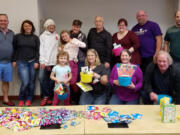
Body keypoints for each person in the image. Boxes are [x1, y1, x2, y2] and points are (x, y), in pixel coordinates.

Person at [12, 20, 40, 106]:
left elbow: (37, 50)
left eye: (29, 26)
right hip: (21, 62)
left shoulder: (35, 38)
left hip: (32, 62)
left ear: (32, 27)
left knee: (32, 82)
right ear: (23, 27)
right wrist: (14, 60)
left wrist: (36, 61)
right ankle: (21, 98)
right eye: (25, 26)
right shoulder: (17, 37)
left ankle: (29, 98)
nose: (28, 27)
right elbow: (14, 49)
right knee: (25, 82)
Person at [60, 30, 86, 104]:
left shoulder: (74, 40)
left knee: (73, 82)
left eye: (65, 35)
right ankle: (68, 100)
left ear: (69, 35)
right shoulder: (63, 45)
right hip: (65, 64)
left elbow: (84, 45)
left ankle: (76, 98)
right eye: (63, 37)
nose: (64, 38)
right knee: (66, 82)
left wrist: (74, 42)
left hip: (73, 64)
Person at [39, 19, 59, 106]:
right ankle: (46, 96)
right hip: (44, 62)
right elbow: (41, 49)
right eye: (50, 26)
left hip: (54, 62)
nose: (51, 27)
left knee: (52, 81)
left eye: (53, 26)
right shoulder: (42, 36)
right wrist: (42, 61)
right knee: (41, 78)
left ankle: (49, 97)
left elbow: (58, 49)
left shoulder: (57, 36)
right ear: (46, 27)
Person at [70, 19, 87, 104]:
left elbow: (86, 48)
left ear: (80, 27)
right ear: (72, 26)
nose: (76, 28)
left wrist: (77, 43)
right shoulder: (68, 34)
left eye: (78, 26)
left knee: (80, 79)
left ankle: (80, 99)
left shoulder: (83, 35)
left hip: (81, 61)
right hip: (71, 61)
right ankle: (72, 98)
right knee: (72, 80)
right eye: (74, 26)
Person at [0, 14, 15, 106]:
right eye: (1, 20)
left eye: (5, 20)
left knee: (5, 81)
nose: (3, 22)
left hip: (8, 63)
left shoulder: (12, 33)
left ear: (8, 21)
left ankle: (6, 99)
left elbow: (14, 47)